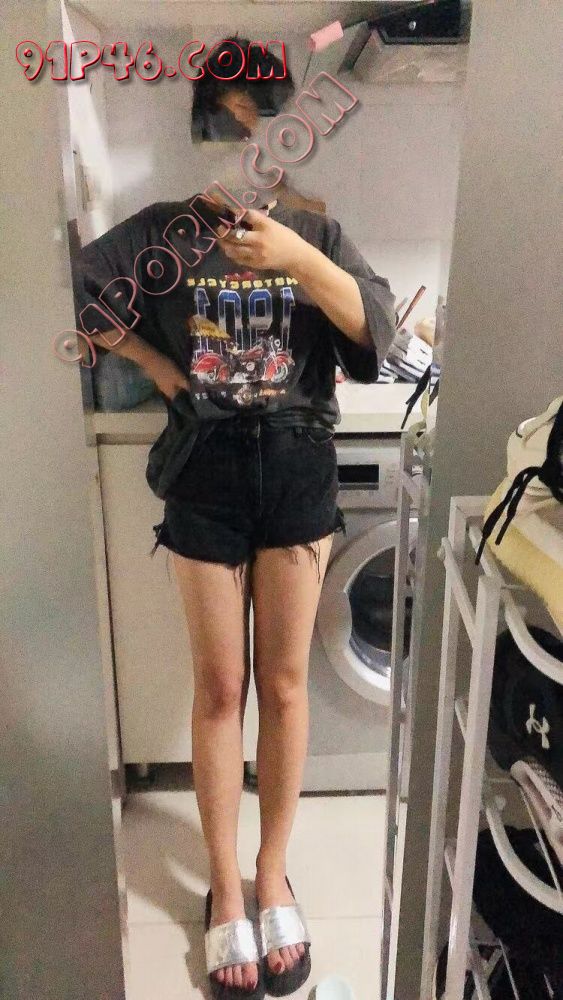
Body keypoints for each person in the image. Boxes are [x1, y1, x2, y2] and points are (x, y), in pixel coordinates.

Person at [75, 44, 395, 1000]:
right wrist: (159, 367)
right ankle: (224, 887)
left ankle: (271, 874)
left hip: (295, 466)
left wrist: (298, 258)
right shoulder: (163, 233)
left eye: (261, 115)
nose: (245, 133)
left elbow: (376, 331)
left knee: (286, 686)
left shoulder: (317, 232)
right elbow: (79, 287)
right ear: (205, 127)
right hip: (205, 475)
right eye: (227, 116)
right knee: (221, 688)